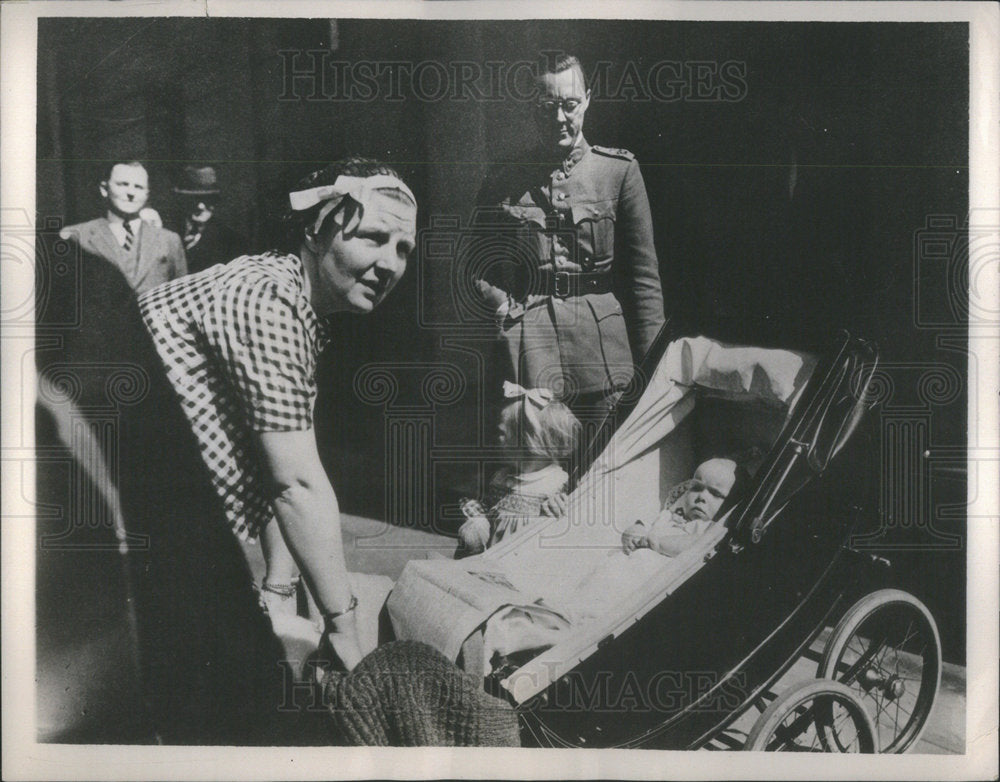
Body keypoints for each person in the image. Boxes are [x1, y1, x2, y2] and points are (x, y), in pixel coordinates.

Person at [138, 157, 418, 672]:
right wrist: (344, 629)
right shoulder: (268, 298)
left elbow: (276, 467)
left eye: (403, 249)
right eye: (373, 237)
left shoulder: (293, 304)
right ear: (314, 232)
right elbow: (297, 486)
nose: (391, 264)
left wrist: (280, 588)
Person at [471, 53, 665, 420]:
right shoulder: (503, 179)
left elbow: (644, 281)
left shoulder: (618, 172)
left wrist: (652, 367)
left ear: (588, 99)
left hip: (605, 359)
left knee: (605, 466)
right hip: (529, 354)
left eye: (570, 105)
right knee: (538, 471)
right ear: (532, 109)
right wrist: (505, 317)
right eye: (547, 107)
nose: (559, 118)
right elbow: (477, 265)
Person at [456, 381, 582, 557]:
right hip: (488, 557)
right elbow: (488, 509)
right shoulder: (501, 476)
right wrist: (477, 521)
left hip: (525, 561)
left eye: (502, 433)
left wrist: (558, 507)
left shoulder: (558, 484)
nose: (497, 439)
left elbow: (567, 528)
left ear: (528, 441)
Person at [59, 160, 187, 294]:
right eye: (123, 184)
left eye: (138, 187)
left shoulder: (169, 240)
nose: (131, 193)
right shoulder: (77, 236)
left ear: (147, 194)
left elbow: (182, 296)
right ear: (104, 189)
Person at [620, 457, 742, 556]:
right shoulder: (670, 515)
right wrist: (635, 532)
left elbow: (696, 545)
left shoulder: (710, 529)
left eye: (716, 494)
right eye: (696, 488)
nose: (701, 497)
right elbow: (647, 525)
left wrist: (657, 542)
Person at [172, 165, 251, 274]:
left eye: (207, 199)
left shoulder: (231, 241)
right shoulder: (170, 233)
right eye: (194, 199)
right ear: (183, 201)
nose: (200, 206)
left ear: (215, 202)